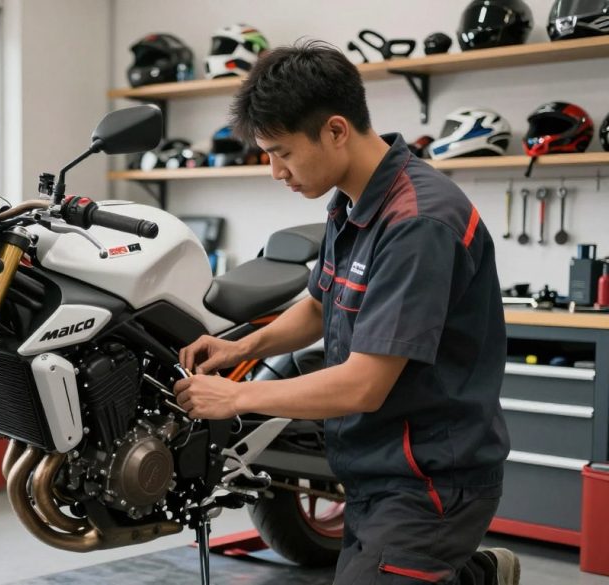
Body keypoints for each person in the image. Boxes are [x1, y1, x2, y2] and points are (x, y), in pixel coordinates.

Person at [173, 40, 517, 585]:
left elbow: (363, 386)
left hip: (429, 480)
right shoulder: (351, 201)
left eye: (282, 152)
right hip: (371, 467)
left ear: (336, 130)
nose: (275, 172)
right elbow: (317, 305)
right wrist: (241, 347)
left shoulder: (417, 223)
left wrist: (236, 396)